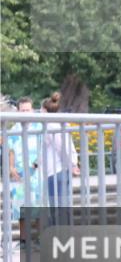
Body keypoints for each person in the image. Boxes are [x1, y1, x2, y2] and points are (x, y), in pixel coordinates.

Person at [6, 97, 42, 243]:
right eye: (23, 110)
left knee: (39, 207)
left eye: (28, 110)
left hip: (36, 173)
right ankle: (24, 239)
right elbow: (11, 151)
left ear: (32, 110)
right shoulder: (14, 130)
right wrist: (11, 168)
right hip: (19, 175)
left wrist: (37, 163)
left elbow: (44, 149)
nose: (25, 113)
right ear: (18, 111)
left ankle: (41, 238)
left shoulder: (40, 127)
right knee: (21, 208)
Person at [39, 92, 79, 211]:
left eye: (41, 109)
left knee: (57, 206)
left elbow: (62, 148)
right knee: (61, 206)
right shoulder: (59, 124)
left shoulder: (51, 126)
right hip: (59, 170)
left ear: (45, 110)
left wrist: (72, 165)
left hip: (56, 170)